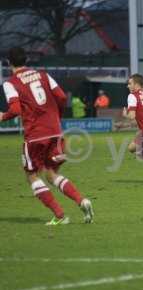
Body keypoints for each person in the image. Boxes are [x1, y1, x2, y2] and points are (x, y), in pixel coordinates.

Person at [0, 47, 94, 225]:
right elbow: (61, 97)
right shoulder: (44, 75)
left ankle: (60, 216)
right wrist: (56, 116)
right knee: (51, 173)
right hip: (56, 131)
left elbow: (15, 109)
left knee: (32, 175)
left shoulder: (10, 82)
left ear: (8, 62)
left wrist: (3, 116)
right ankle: (82, 201)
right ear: (26, 60)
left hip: (35, 134)